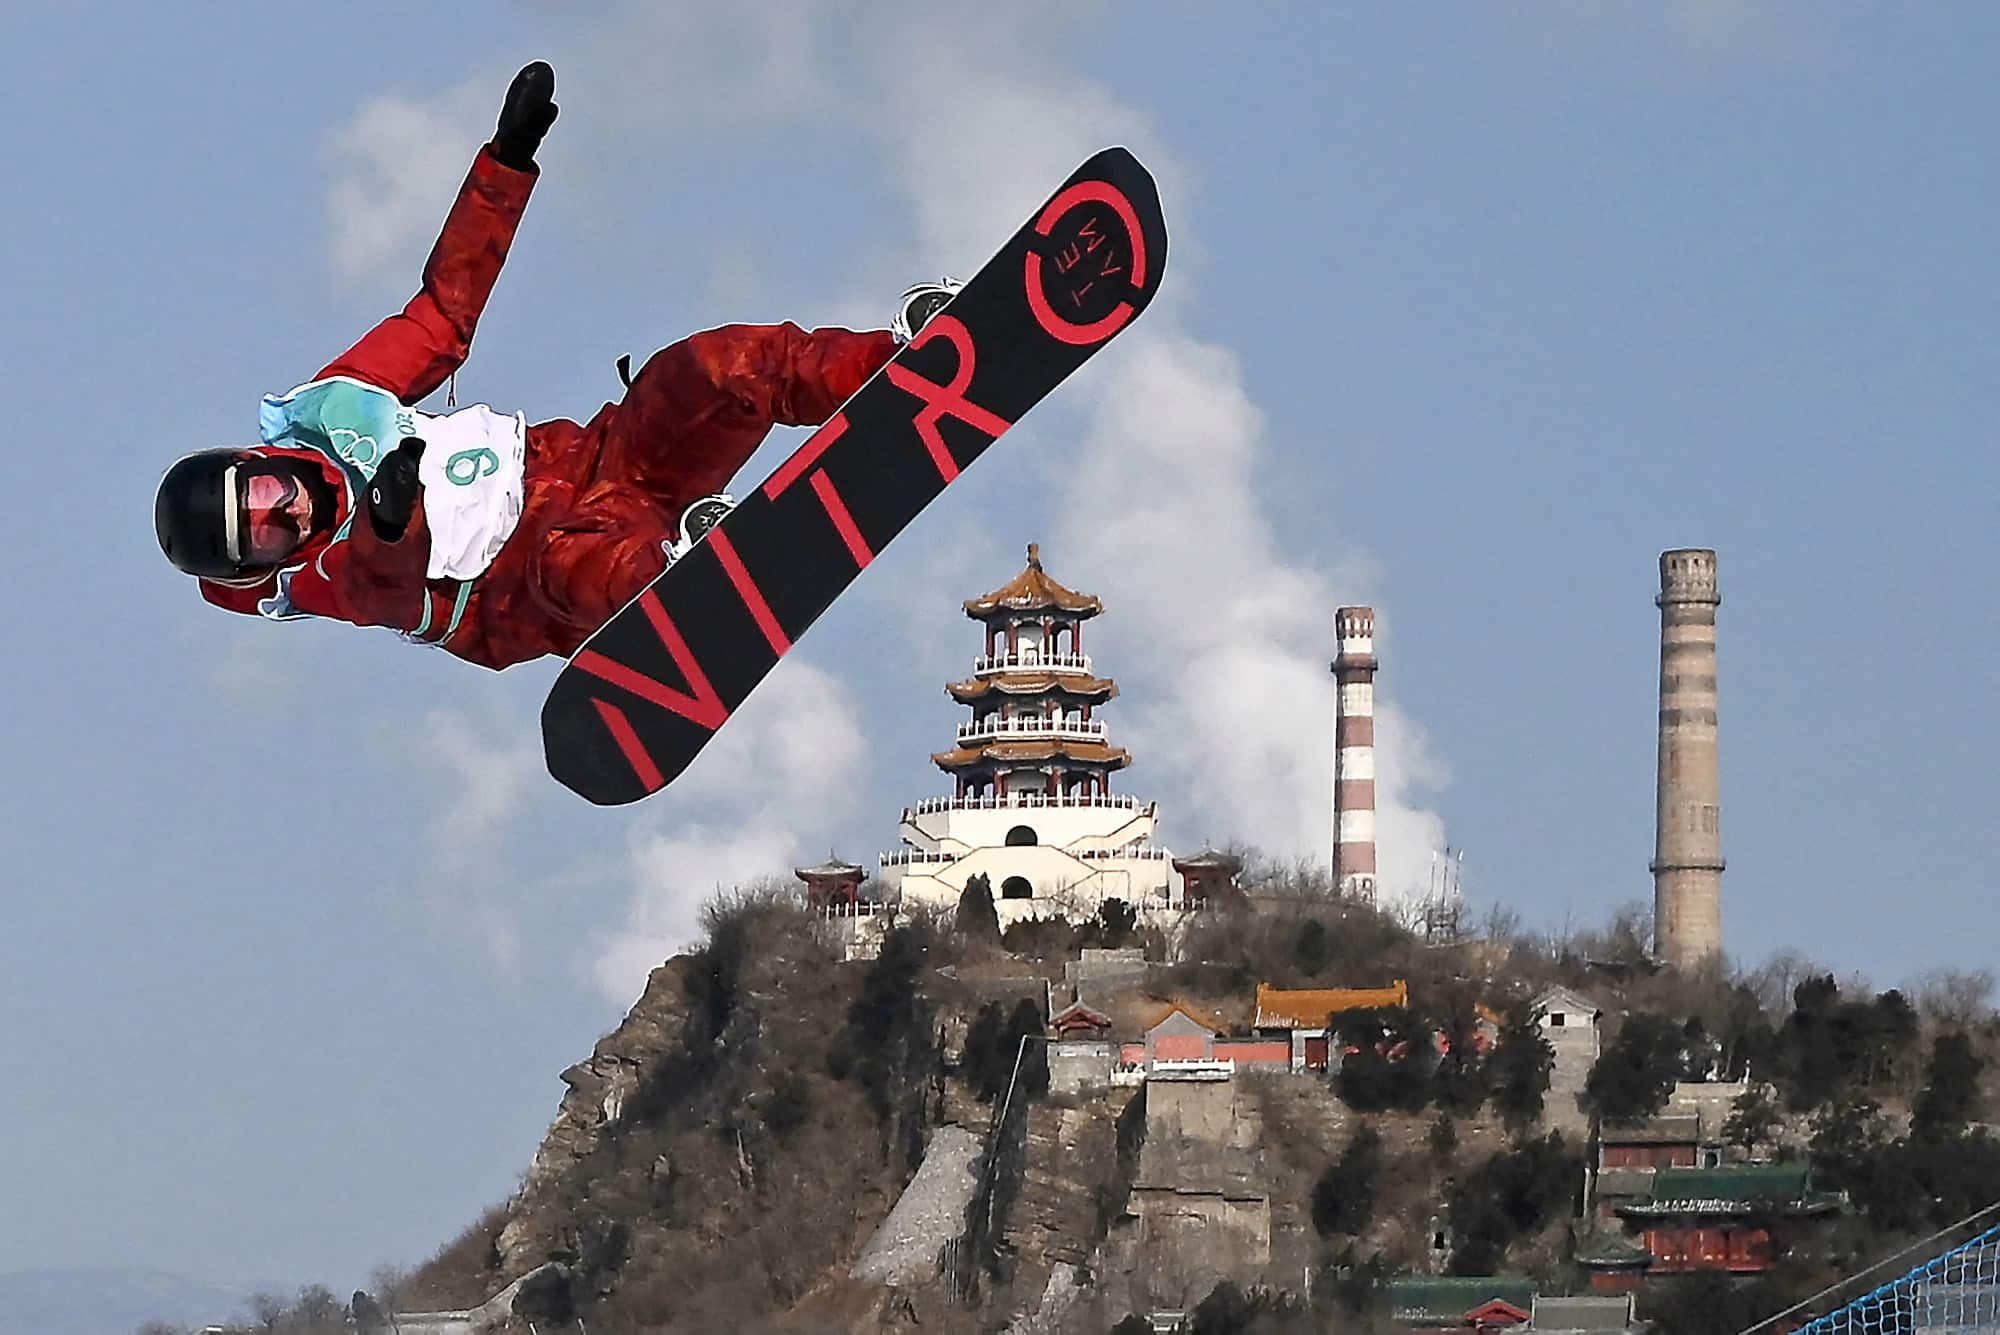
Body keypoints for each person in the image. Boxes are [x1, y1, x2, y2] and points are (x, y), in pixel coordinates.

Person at [155, 62, 957, 670]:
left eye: (259, 499)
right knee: (583, 564)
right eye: (261, 540)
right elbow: (379, 587)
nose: (281, 519)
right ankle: (679, 571)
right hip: (524, 583)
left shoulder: (333, 408)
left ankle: (898, 359)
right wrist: (389, 522)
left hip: (595, 457)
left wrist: (503, 165)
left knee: (717, 367)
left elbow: (439, 314)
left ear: (255, 460)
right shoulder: (317, 576)